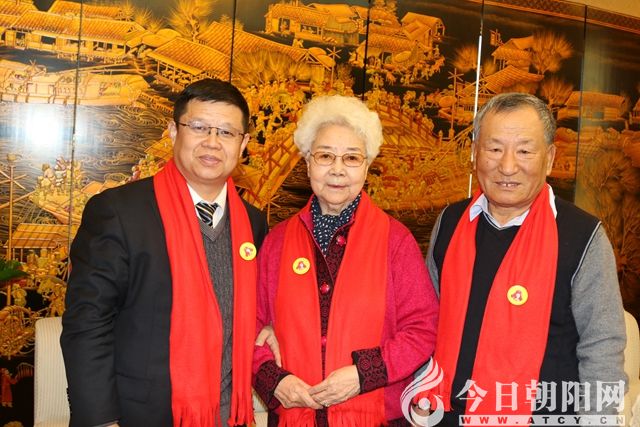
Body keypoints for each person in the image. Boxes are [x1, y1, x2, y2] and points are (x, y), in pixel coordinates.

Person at [61, 78, 269, 427]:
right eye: (199, 127)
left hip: (230, 415)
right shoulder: (118, 212)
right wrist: (100, 420)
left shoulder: (253, 223)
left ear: (243, 143)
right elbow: (88, 323)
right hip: (140, 415)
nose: (212, 142)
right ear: (173, 131)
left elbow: (258, 311)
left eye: (226, 132)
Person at [423, 93, 626, 425]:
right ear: (474, 153)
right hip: (443, 413)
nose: (507, 166)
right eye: (494, 149)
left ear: (550, 158)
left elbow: (602, 346)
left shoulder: (583, 237)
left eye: (524, 151)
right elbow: (425, 320)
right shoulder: (450, 222)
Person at [252, 95, 439, 426]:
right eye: (325, 156)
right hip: (294, 416)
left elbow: (423, 329)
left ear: (367, 166)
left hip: (375, 416)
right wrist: (275, 380)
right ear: (307, 162)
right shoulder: (277, 242)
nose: (337, 169)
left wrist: (362, 374)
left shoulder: (396, 241)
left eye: (352, 157)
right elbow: (249, 325)